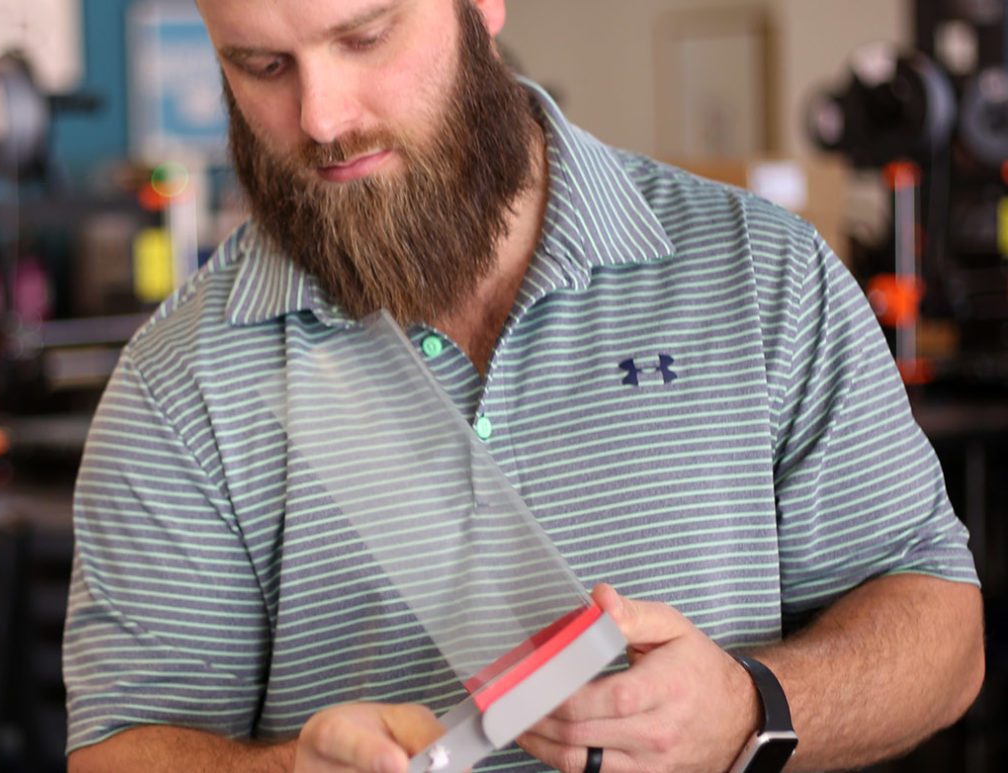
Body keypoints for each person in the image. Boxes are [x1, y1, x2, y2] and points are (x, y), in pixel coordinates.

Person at [63, 1, 985, 771]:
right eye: (262, 65)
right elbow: (116, 748)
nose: (322, 118)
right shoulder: (179, 378)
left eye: (365, 36)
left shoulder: (762, 275)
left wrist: (750, 705)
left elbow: (944, 633)